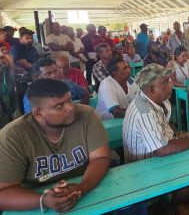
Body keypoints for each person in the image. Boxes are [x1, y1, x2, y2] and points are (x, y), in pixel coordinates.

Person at [0, 79, 110, 212]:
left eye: (69, 100)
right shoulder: (13, 136)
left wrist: (82, 187)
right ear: (38, 113)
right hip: (33, 200)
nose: (70, 108)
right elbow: (3, 191)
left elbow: (100, 157)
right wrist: (44, 200)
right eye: (59, 105)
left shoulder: (87, 115)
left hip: (86, 190)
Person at [122, 64, 189, 214]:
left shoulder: (159, 101)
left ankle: (179, 194)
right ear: (151, 89)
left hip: (158, 151)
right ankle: (173, 203)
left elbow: (164, 133)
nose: (171, 84)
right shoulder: (144, 112)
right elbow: (162, 149)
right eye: (165, 82)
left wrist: (188, 138)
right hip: (144, 167)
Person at [23, 58, 90, 113]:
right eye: (48, 73)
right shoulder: (31, 95)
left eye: (55, 71)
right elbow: (32, 118)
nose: (54, 75)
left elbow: (85, 94)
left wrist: (78, 112)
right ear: (37, 77)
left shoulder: (66, 83)